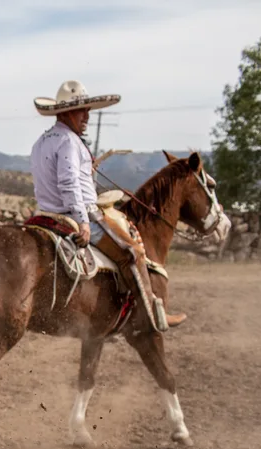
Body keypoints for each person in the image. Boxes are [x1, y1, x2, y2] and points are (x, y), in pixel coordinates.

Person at [30, 80, 183, 330]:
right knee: (132, 253)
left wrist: (86, 172)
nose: (87, 116)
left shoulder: (42, 141)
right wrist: (82, 221)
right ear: (67, 112)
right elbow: (68, 184)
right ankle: (152, 314)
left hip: (45, 213)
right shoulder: (69, 141)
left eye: (88, 110)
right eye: (83, 111)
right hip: (75, 214)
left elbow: (57, 178)